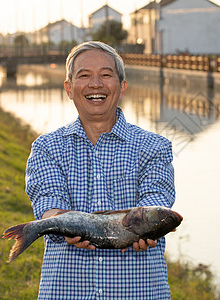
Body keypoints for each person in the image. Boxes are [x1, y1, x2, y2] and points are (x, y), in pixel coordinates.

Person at [25, 41, 175, 299]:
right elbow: (48, 205)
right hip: (65, 292)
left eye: (106, 75)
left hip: (140, 292)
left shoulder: (155, 146)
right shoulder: (46, 147)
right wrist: (65, 227)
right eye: (84, 76)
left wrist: (144, 229)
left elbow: (156, 201)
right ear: (69, 88)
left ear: (122, 87)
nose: (96, 84)